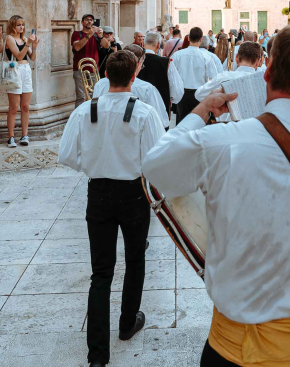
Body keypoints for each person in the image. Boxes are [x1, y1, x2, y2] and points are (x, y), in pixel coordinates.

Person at [143, 24, 290, 367]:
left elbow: (156, 166)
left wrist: (201, 111)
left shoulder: (223, 142)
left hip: (241, 345)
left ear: (268, 72)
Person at [58, 50, 166, 367]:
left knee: (101, 273)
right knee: (135, 259)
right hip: (133, 193)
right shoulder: (145, 113)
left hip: (99, 192)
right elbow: (157, 159)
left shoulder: (84, 111)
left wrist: (93, 163)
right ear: (134, 76)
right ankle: (127, 322)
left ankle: (97, 357)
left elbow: (66, 155)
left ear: (105, 76)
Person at [92, 45, 169, 124]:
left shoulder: (100, 84)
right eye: (142, 64)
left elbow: (94, 112)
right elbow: (161, 121)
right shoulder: (147, 89)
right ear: (138, 64)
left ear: (106, 74)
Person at [171, 27, 222, 122]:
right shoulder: (206, 57)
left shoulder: (177, 55)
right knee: (198, 123)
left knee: (182, 122)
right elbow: (215, 79)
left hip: (182, 94)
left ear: (189, 38)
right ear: (201, 39)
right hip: (199, 94)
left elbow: (171, 75)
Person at [4, 15, 39, 147]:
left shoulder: (24, 38)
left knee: (25, 106)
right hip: (15, 70)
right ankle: (11, 137)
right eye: (18, 25)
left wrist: (34, 46)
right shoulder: (9, 38)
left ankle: (25, 135)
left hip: (26, 70)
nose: (21, 27)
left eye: (23, 25)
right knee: (13, 107)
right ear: (13, 25)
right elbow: (18, 56)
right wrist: (28, 44)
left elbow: (32, 57)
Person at [195, 41, 264, 103]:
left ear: (236, 58)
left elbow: (198, 94)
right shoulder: (264, 82)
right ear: (258, 62)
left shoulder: (223, 77)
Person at [141, 31, 185, 118]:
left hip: (136, 112)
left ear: (143, 44)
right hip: (160, 111)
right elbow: (177, 91)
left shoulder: (133, 61)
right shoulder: (166, 63)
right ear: (158, 45)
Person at [72, 15, 104, 106]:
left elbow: (106, 46)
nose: (89, 22)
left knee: (95, 96)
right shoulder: (76, 34)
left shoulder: (96, 35)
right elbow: (77, 47)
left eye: (91, 20)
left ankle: (93, 118)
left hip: (93, 70)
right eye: (86, 20)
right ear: (82, 23)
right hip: (80, 70)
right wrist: (88, 35)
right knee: (81, 97)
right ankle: (78, 118)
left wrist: (101, 36)